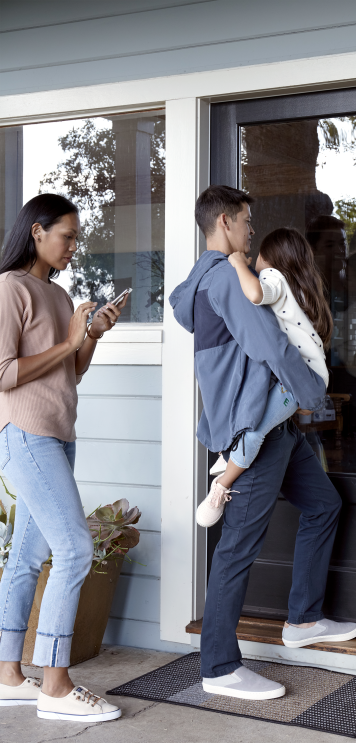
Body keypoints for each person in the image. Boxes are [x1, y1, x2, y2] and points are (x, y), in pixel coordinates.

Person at [170, 185, 356, 702]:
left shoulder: (196, 280)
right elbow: (269, 343)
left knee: (324, 504)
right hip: (258, 425)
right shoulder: (227, 280)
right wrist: (312, 392)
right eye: (248, 222)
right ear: (227, 222)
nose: (252, 231)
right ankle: (219, 666)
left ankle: (303, 619)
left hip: (273, 427)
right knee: (236, 549)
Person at [0, 194, 125, 722]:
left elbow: (71, 371)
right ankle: (55, 684)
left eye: (76, 238)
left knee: (28, 557)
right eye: (66, 236)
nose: (74, 246)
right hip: (25, 433)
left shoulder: (58, 293)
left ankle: (7, 676)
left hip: (57, 433)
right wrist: (70, 338)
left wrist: (90, 337)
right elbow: (5, 374)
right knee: (74, 549)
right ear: (36, 232)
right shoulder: (10, 289)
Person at [196, 226, 332, 528]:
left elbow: (255, 292)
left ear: (270, 259)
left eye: (258, 255)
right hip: (307, 376)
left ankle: (221, 488)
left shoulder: (273, 278)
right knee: (250, 412)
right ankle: (231, 453)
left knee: (254, 428)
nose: (254, 260)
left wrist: (237, 263)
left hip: (301, 380)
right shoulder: (294, 286)